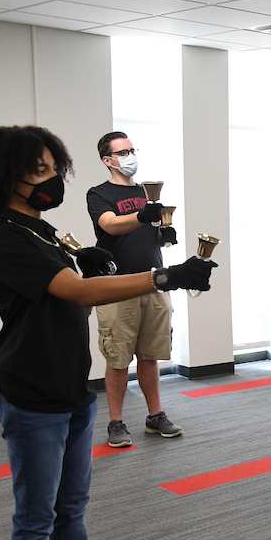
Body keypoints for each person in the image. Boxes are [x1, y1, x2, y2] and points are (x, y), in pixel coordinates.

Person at [0, 125, 215, 540]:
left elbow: (77, 278)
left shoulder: (43, 231)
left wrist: (95, 261)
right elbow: (74, 293)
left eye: (54, 167)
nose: (53, 178)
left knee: (70, 510)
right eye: (39, 169)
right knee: (34, 519)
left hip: (71, 388)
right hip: (28, 392)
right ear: (5, 176)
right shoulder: (2, 238)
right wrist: (164, 275)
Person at [87, 132, 183, 447]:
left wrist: (164, 233)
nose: (130, 156)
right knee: (117, 357)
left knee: (151, 354)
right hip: (115, 286)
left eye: (132, 149)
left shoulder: (147, 193)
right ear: (108, 160)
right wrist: (142, 216)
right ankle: (116, 422)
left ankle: (155, 416)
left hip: (154, 281)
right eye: (122, 152)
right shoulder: (98, 193)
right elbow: (111, 225)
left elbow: (150, 232)